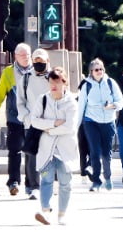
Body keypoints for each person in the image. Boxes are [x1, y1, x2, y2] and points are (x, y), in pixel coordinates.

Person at [32, 67, 79, 225]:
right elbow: (34, 120)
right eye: (51, 81)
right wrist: (53, 123)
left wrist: (49, 130)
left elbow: (70, 127)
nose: (53, 85)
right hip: (46, 149)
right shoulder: (43, 99)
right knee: (46, 180)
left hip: (65, 150)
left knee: (65, 183)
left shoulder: (71, 102)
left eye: (57, 82)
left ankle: (62, 214)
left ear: (64, 83)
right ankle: (45, 212)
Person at [0, 43, 33, 197]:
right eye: (22, 55)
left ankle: (31, 183)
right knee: (14, 150)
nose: (26, 58)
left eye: (28, 55)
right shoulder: (8, 73)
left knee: (31, 152)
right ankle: (13, 182)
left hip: (33, 119)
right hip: (15, 119)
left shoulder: (37, 71)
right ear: (15, 56)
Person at [77, 58, 123, 192]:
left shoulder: (110, 83)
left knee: (106, 153)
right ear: (91, 71)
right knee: (95, 152)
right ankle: (96, 181)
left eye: (101, 69)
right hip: (91, 121)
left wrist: (112, 106)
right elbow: (81, 107)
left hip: (108, 122)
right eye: (96, 69)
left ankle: (107, 177)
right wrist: (76, 126)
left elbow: (120, 101)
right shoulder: (86, 85)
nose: (99, 71)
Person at [16, 48, 51, 199]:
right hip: (31, 123)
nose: (38, 64)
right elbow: (20, 102)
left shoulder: (53, 78)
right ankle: (34, 185)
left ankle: (46, 183)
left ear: (47, 62)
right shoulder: (25, 78)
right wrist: (26, 118)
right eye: (36, 61)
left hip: (49, 122)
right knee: (32, 154)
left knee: (48, 155)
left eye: (41, 61)